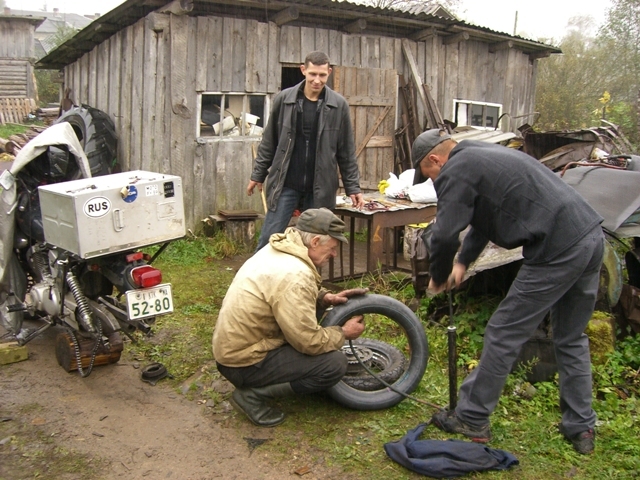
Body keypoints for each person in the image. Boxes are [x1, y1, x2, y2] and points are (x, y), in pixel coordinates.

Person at [412, 129, 604, 455]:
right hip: (590, 236)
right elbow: (483, 219)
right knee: (571, 337)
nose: (431, 181)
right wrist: (463, 262)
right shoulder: (480, 155)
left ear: (435, 159)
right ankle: (581, 426)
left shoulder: (457, 168)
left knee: (504, 331)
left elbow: (444, 234)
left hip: (557, 248)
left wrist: (439, 273)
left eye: (427, 174)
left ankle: (472, 417)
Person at [212, 208, 367, 426]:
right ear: (314, 241)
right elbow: (308, 342)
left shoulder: (280, 250)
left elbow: (286, 298)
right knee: (334, 363)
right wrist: (343, 332)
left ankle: (274, 380)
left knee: (319, 346)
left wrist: (324, 298)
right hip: (243, 362)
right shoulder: (294, 275)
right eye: (332, 248)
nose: (334, 254)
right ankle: (252, 396)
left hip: (234, 349)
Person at [247, 51, 365, 251]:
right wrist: (258, 175)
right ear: (303, 70)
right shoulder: (284, 100)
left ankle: (306, 282)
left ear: (329, 72)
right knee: (269, 239)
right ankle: (259, 280)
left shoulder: (338, 105)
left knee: (314, 244)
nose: (317, 80)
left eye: (322, 75)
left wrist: (353, 187)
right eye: (312, 74)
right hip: (285, 185)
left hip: (319, 189)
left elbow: (346, 152)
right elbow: (269, 142)